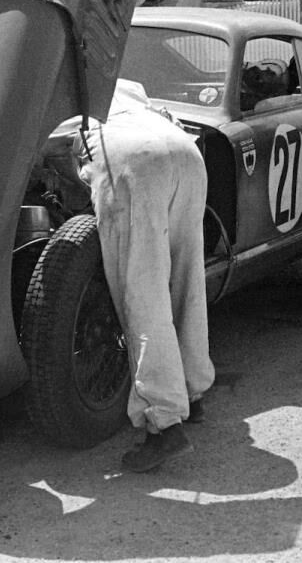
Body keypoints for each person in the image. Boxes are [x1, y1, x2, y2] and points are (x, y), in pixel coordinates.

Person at [75, 79, 214, 472]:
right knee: (187, 279)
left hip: (131, 157)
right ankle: (193, 389)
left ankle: (164, 424)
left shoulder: (53, 86)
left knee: (143, 292)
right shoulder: (124, 81)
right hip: (183, 149)